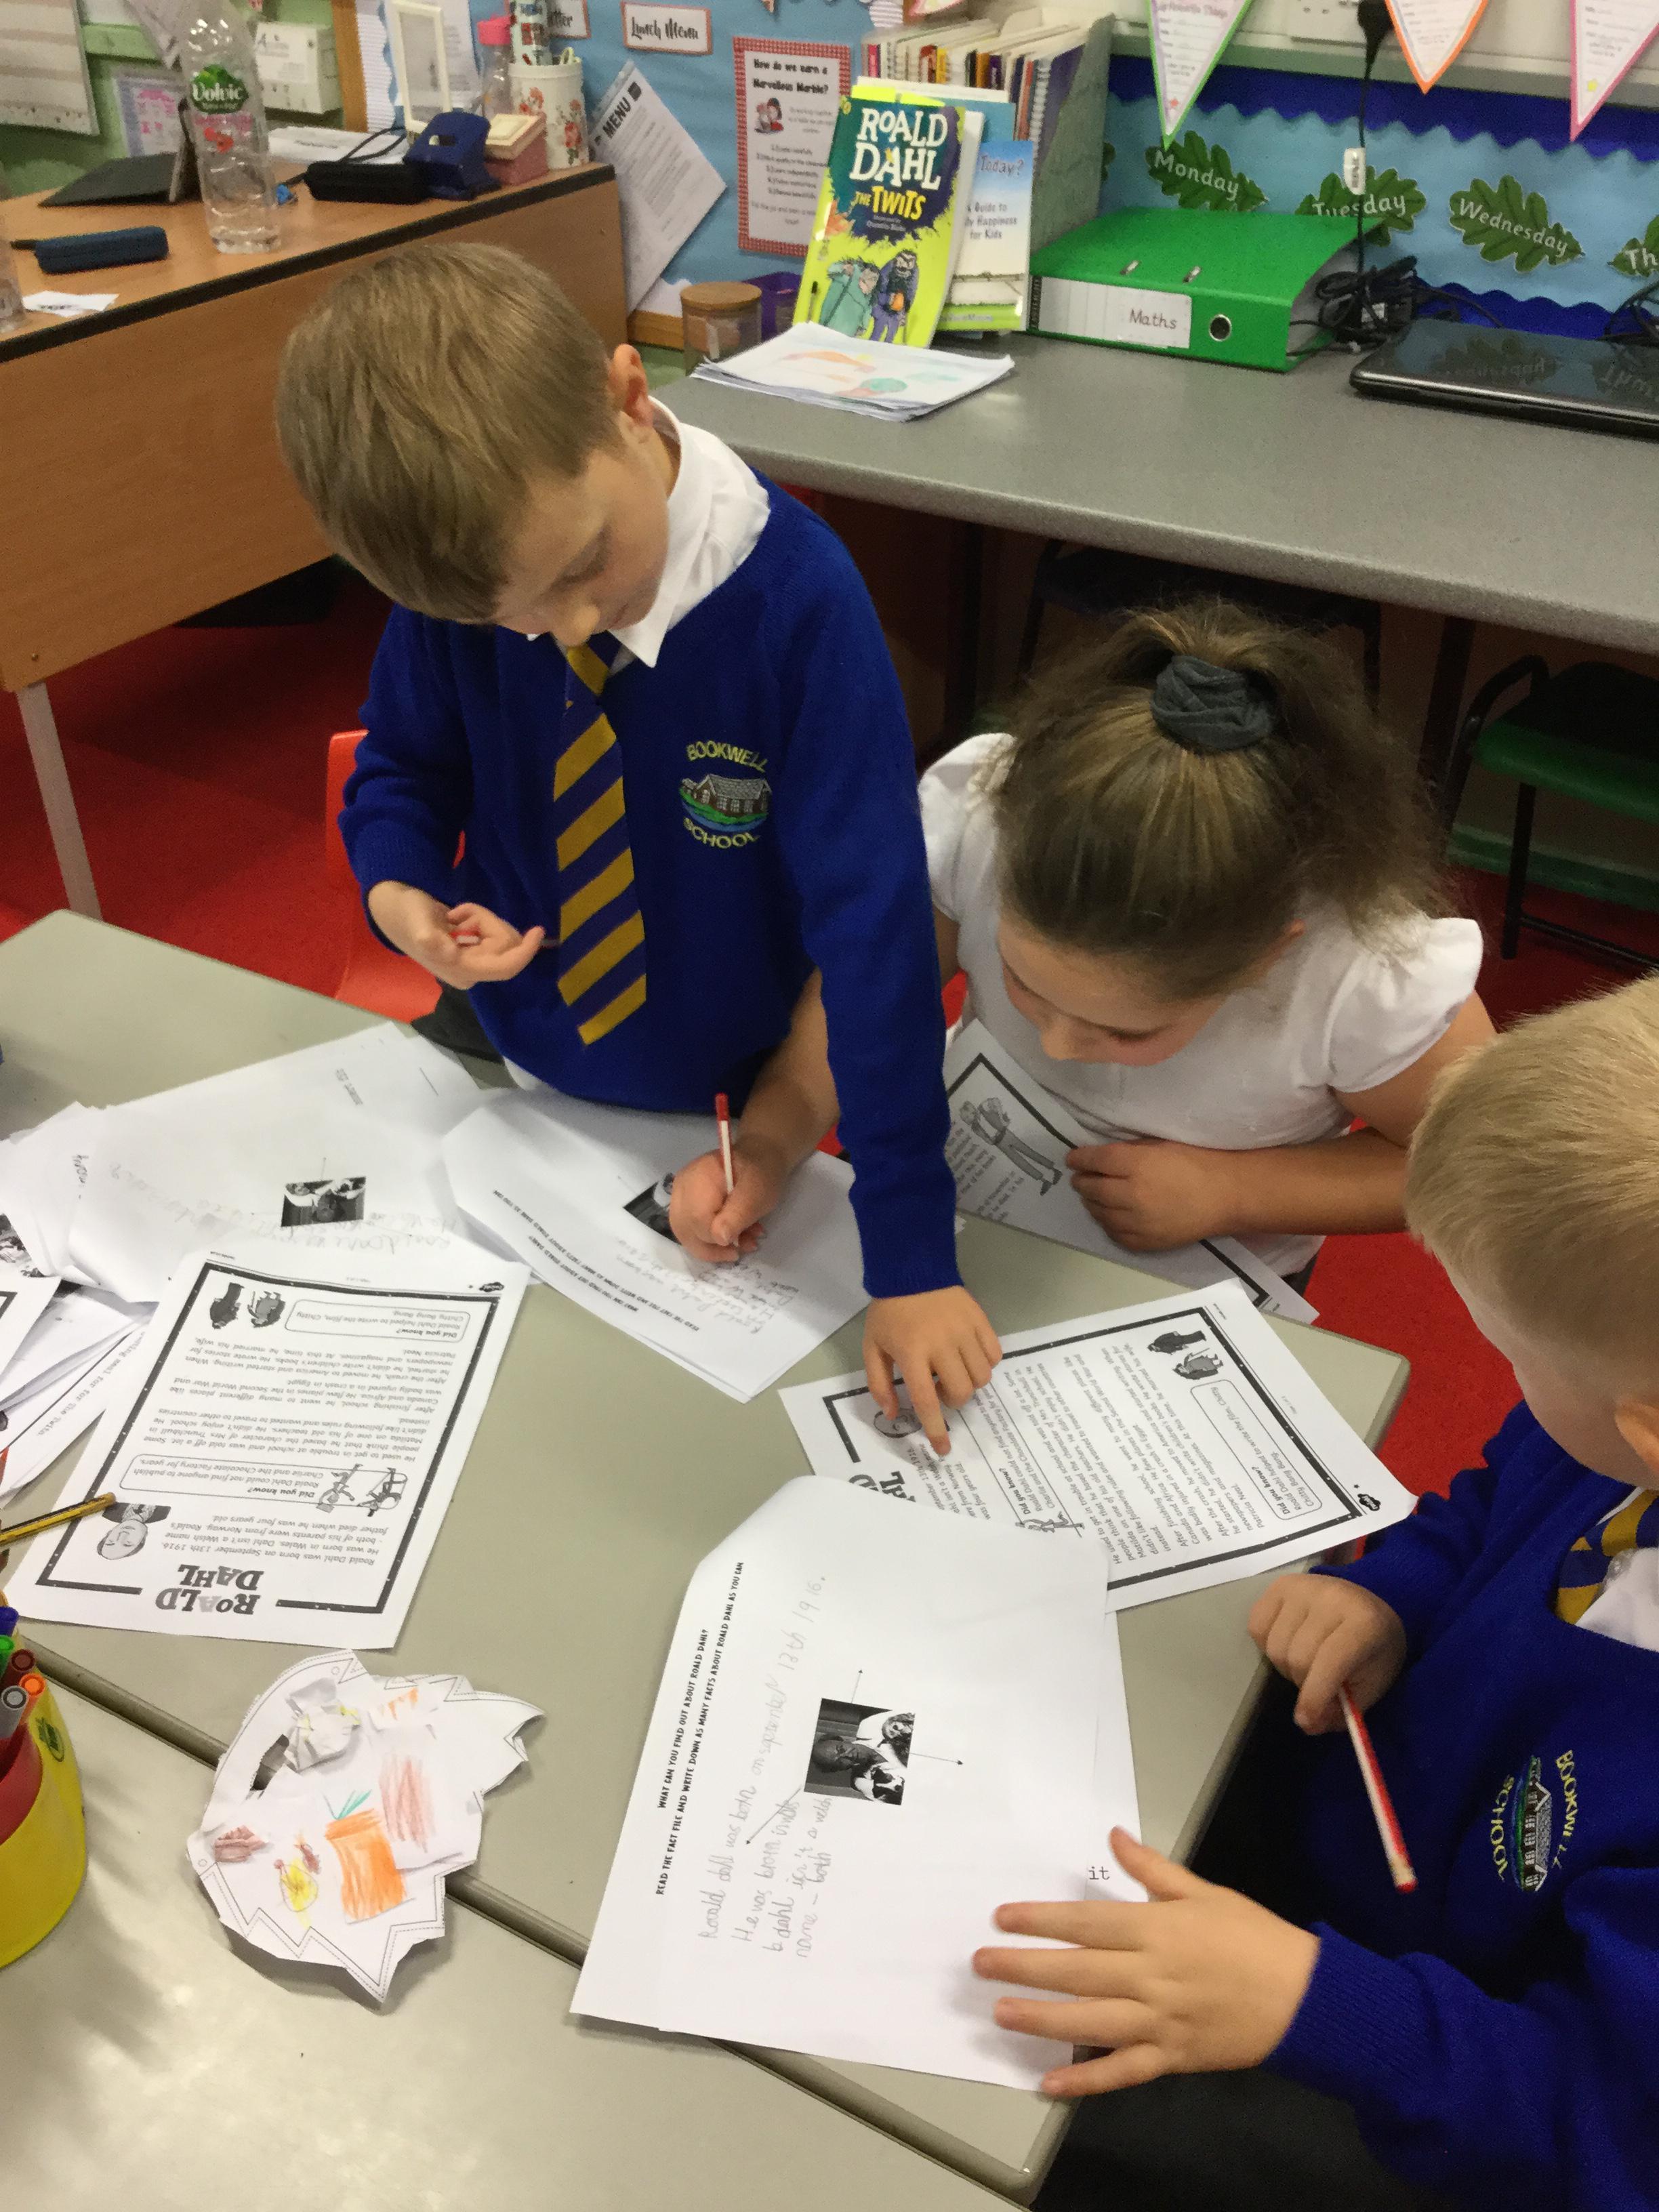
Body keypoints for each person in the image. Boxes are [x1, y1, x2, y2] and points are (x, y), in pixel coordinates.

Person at [274, 241, 998, 1450]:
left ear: (626, 397)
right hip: (508, 1056)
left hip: (721, 1089)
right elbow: (404, 764)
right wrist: (403, 897)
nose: (562, 625)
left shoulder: (799, 607)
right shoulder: (474, 574)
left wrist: (912, 1256)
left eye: (578, 568)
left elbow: (875, 937)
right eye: (506, 617)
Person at [974, 978, 1659, 2210]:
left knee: (1028, 2093)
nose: (1504, 1375)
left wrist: (1310, 2001)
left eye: (1511, 1351)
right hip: (1366, 1860)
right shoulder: (1608, 1438)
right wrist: (1397, 1592)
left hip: (1448, 2089)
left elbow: (1602, 2127)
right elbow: (1493, 1494)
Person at [922, 604, 1494, 1290]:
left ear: (1268, 956)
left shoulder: (1360, 974)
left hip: (1206, 1272)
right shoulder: (986, 823)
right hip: (973, 1197)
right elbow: (867, 1000)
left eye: (1125, 1031)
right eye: (1023, 983)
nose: (1059, 1045)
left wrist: (1234, 1191)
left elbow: (1470, 1166)